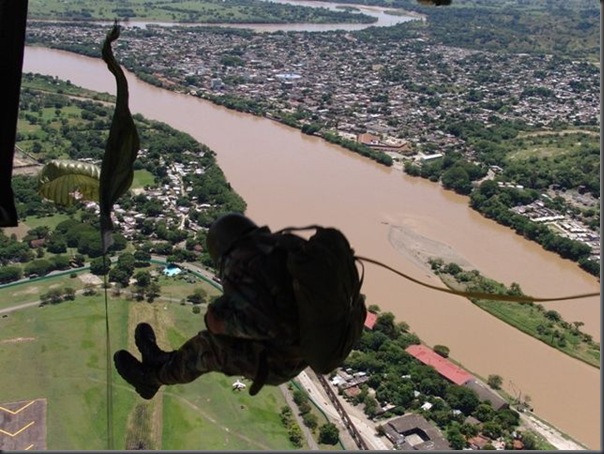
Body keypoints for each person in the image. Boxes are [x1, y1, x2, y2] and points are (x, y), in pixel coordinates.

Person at [114, 213, 366, 399]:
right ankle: (160, 360)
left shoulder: (246, 269)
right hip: (301, 348)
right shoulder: (280, 249)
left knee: (210, 349)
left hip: (279, 361)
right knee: (210, 342)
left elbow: (228, 324)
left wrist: (219, 316)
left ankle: (151, 379)